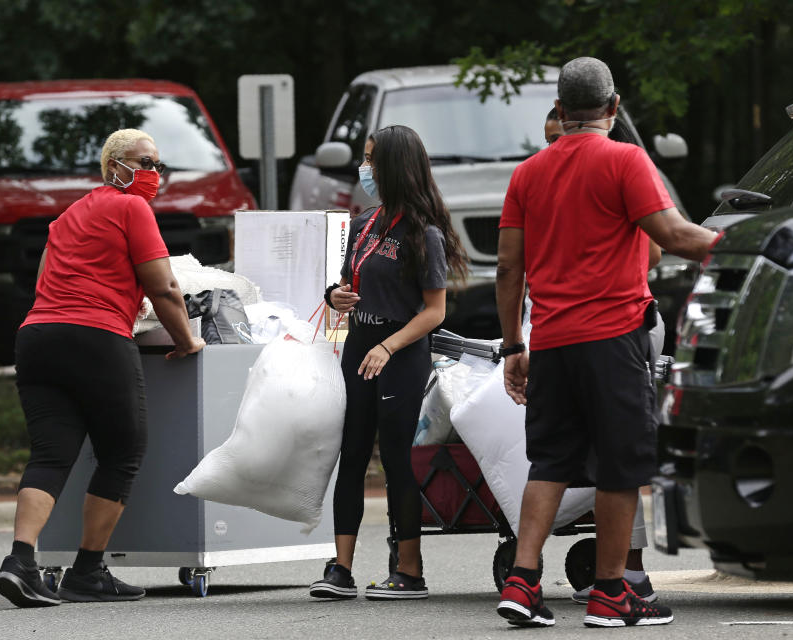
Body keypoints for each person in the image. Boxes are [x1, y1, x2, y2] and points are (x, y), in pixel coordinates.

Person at [495, 58, 719, 628]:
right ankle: (612, 591)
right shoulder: (626, 159)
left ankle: (521, 585)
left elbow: (506, 269)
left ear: (561, 112)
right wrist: (743, 247)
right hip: (613, 338)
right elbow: (671, 235)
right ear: (614, 107)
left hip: (551, 340)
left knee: (549, 461)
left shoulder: (527, 174)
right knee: (620, 467)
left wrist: (513, 346)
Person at [0, 128, 206, 608]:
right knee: (122, 452)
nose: (153, 173)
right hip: (96, 336)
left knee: (50, 455)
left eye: (157, 165)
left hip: (37, 338)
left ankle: (20, 562)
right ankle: (87, 571)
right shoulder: (133, 208)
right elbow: (164, 286)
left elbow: (48, 277)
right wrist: (186, 340)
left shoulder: (67, 216)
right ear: (114, 167)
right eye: (143, 163)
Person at [308, 125, 468, 601]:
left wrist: (389, 346)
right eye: (365, 158)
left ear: (396, 166)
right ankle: (341, 568)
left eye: (372, 159)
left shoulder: (425, 233)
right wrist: (334, 296)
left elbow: (435, 312)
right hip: (359, 347)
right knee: (352, 453)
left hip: (399, 354)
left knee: (398, 458)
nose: (365, 168)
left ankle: (409, 571)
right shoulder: (363, 224)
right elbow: (342, 285)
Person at [545, 106, 661, 606]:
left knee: (617, 455)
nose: (557, 146)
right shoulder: (547, 179)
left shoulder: (623, 169)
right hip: (578, 332)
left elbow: (656, 251)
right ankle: (613, 576)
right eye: (548, 138)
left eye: (560, 134)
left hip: (620, 327)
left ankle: (628, 573)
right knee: (592, 456)